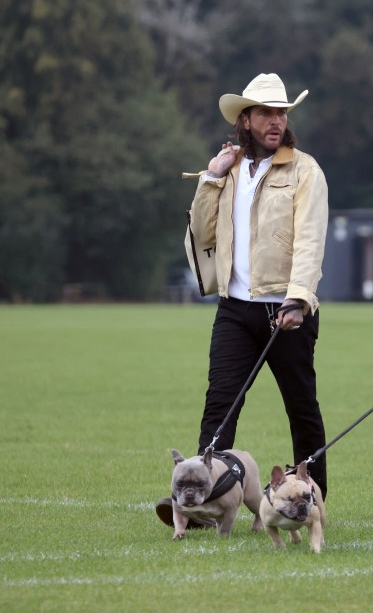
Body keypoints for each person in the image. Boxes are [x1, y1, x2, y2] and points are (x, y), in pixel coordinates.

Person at [156, 73, 329, 528]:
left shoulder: (306, 170)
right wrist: (210, 179)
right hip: (234, 308)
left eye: (282, 113)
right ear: (245, 119)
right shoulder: (228, 171)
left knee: (301, 406)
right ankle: (201, 501)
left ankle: (313, 501)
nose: (276, 121)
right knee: (220, 405)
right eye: (266, 113)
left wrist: (299, 300)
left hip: (287, 310)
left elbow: (311, 241)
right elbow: (202, 233)